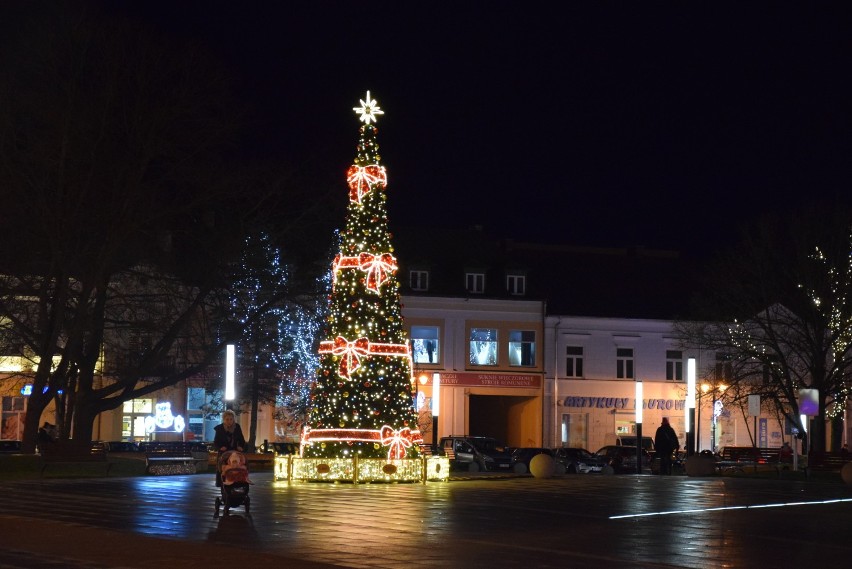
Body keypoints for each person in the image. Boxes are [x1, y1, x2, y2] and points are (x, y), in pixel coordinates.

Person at [214, 409, 246, 487]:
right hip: (224, 452)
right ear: (224, 420)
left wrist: (240, 446)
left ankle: (238, 481)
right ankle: (222, 482)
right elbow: (216, 442)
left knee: (238, 465)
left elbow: (241, 439)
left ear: (233, 419)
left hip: (234, 451)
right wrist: (221, 447)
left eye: (231, 419)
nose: (229, 421)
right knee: (223, 467)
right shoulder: (220, 429)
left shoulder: (237, 427)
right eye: (227, 419)